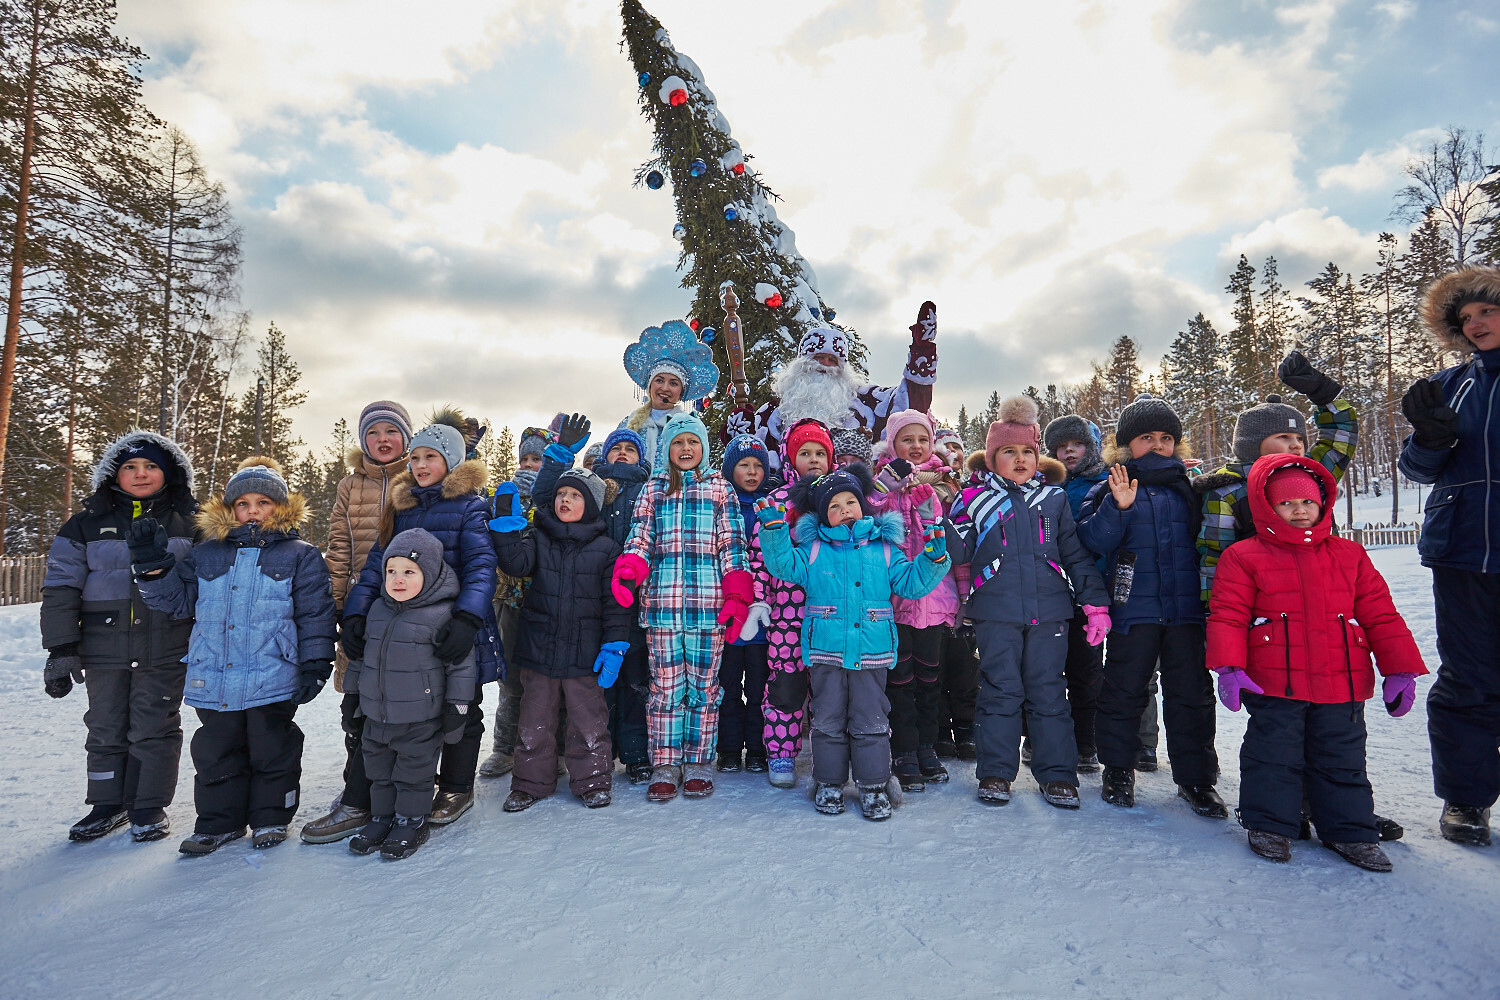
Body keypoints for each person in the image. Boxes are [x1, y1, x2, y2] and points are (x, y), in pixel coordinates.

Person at [1207, 455, 1426, 870]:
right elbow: (1228, 615)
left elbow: (1381, 614)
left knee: (1342, 759)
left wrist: (1400, 668)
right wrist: (1229, 667)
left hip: (1341, 682)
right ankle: (1270, 824)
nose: (1300, 510)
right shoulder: (1244, 556)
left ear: (1322, 505)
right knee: (1273, 755)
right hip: (1274, 682)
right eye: (1287, 504)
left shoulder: (1349, 555)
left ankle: (1349, 830)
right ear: (1266, 507)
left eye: (1307, 502)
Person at [130, 457, 336, 854]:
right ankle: (218, 822)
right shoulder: (206, 554)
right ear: (230, 509)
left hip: (272, 673)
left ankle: (271, 817)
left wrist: (315, 662)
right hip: (215, 672)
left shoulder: (299, 554)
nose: (253, 511)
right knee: (216, 751)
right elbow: (176, 602)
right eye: (243, 503)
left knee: (272, 748)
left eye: (263, 502)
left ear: (280, 507)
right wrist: (152, 568)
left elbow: (315, 612)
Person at [754, 465, 950, 820]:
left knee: (871, 717)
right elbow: (782, 565)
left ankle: (873, 783)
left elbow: (910, 584)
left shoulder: (885, 548)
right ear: (823, 515)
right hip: (826, 650)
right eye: (834, 505)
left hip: (872, 650)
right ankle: (828, 781)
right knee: (827, 717)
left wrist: (932, 559)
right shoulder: (813, 550)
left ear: (863, 505)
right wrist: (773, 530)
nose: (844, 509)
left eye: (850, 501)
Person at [342, 410, 502, 826]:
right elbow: (378, 562)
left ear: (450, 461)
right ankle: (396, 788)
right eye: (415, 458)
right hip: (402, 629)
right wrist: (357, 614)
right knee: (405, 711)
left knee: (462, 709)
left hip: (452, 627)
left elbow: (483, 566)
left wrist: (467, 618)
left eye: (431, 457)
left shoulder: (470, 507)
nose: (421, 466)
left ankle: (456, 786)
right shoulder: (402, 507)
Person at [40, 431, 199, 844]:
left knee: (155, 725)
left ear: (170, 474)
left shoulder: (191, 523)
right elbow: (60, 587)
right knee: (105, 725)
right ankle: (106, 803)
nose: (141, 474)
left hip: (166, 645)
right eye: (130, 466)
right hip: (102, 647)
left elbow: (203, 586)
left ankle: (148, 806)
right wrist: (61, 647)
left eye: (150, 466)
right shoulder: (84, 525)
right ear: (114, 473)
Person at [951, 398, 1109, 808]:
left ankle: (1057, 774)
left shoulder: (1053, 499)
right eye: (1009, 451)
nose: (1020, 459)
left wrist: (1094, 604)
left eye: (1027, 451)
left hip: (1051, 611)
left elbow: (1073, 554)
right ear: (992, 457)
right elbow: (956, 553)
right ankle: (996, 773)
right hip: (995, 611)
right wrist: (943, 519)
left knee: (1048, 691)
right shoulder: (974, 500)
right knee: (1001, 691)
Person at [1078, 395, 1225, 819]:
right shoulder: (1106, 486)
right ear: (1126, 445)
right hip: (1133, 609)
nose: (1158, 445)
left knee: (1192, 695)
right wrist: (1118, 507)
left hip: (1186, 613)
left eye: (1166, 438)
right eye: (1147, 437)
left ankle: (1196, 779)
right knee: (1123, 691)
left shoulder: (1190, 488)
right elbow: (1093, 541)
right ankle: (1118, 770)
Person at [1399, 264, 1500, 847]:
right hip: (1463, 550)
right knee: (1468, 676)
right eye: (1466, 318)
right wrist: (1430, 437)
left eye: (1487, 310)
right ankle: (1466, 799)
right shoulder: (1450, 386)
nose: (1477, 324)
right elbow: (1414, 471)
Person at [614, 412, 752, 801]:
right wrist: (631, 567)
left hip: (710, 609)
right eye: (678, 442)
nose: (686, 448)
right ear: (667, 450)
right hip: (662, 607)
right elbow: (640, 536)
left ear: (704, 449)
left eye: (693, 442)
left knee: (704, 690)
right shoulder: (653, 489)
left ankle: (698, 761)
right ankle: (666, 761)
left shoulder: (720, 489)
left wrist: (738, 592)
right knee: (666, 688)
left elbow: (732, 544)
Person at [302, 400, 413, 845]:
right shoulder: (350, 484)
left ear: (405, 437)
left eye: (391, 431)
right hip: (360, 607)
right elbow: (339, 546)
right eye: (373, 432)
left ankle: (405, 790)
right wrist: (337, 602)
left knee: (405, 701)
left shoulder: (419, 474)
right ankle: (358, 792)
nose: (382, 440)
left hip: (407, 604)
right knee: (358, 704)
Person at [523, 423, 656, 783]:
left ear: (642, 458)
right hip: (593, 596)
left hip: (636, 595)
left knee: (636, 677)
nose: (623, 454)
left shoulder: (648, 491)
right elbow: (549, 498)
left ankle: (636, 750)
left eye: (631, 449)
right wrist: (559, 455)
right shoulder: (598, 490)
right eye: (617, 449)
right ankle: (599, 750)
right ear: (605, 456)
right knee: (597, 685)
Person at [492, 467, 629, 811]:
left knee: (588, 720)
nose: (565, 500)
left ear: (593, 506)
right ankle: (530, 783)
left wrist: (614, 644)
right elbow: (516, 564)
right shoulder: (539, 537)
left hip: (585, 652)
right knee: (534, 720)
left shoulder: (606, 549)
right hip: (540, 648)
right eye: (561, 494)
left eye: (576, 495)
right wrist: (508, 531)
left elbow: (614, 604)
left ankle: (593, 779)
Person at [343, 529, 476, 859]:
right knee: (379, 773)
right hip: (377, 715)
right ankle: (382, 818)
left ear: (429, 575)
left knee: (413, 776)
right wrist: (352, 699)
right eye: (391, 571)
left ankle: (411, 822)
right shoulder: (376, 610)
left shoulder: (442, 616)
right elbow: (360, 660)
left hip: (420, 718)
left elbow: (460, 668)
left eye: (409, 572)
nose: (398, 580)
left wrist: (456, 708)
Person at [1195, 351, 1358, 602]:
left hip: (1324, 594)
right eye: (1283, 437)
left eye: (1300, 438)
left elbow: (1340, 437)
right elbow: (1216, 556)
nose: (1296, 445)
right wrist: (1218, 611)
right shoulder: (1228, 490)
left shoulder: (1313, 475)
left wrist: (1324, 393)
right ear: (1252, 444)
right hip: (1264, 605)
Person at [723, 303, 938, 472]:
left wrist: (922, 351)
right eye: (818, 357)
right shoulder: (773, 413)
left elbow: (909, 408)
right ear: (801, 364)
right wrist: (738, 427)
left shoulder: (867, 401)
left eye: (832, 360)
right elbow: (745, 455)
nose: (825, 365)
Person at [744, 417, 836, 788]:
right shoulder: (777, 502)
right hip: (787, 616)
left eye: (820, 453)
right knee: (785, 687)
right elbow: (759, 555)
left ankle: (830, 756)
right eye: (804, 453)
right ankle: (781, 753)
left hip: (833, 614)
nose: (813, 459)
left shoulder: (840, 499)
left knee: (832, 689)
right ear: (789, 458)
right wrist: (760, 600)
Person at [872, 409, 961, 791]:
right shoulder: (881, 483)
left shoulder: (942, 482)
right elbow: (867, 514)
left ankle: (927, 746)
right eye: (907, 440)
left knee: (929, 680)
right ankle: (904, 750)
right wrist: (885, 487)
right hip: (893, 599)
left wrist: (930, 513)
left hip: (933, 600)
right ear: (893, 445)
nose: (916, 446)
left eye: (923, 440)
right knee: (899, 680)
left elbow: (945, 540)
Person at [1043, 413, 1109, 772]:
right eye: (1061, 447)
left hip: (1087, 587)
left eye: (1076, 445)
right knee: (1046, 669)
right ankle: (1041, 739)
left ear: (1090, 446)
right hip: (1048, 589)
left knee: (1086, 670)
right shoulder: (1042, 486)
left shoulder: (1102, 482)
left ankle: (1086, 742)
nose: (1068, 452)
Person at [719, 434, 777, 772]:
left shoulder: (772, 506)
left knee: (759, 688)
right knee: (727, 686)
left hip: (764, 617)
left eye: (758, 466)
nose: (752, 472)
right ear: (731, 469)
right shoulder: (720, 505)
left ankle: (756, 748)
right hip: (729, 616)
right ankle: (728, 749)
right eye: (744, 465)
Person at [619, 320, 720, 473]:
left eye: (673, 383)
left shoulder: (689, 427)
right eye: (659, 380)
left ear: (681, 391)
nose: (665, 388)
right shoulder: (627, 424)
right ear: (650, 385)